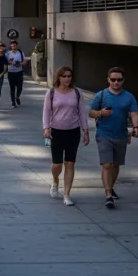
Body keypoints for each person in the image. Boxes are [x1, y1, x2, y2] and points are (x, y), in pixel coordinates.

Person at [88, 67, 138, 209]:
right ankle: (108, 195)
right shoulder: (101, 95)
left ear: (123, 81)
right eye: (113, 79)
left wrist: (136, 128)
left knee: (116, 165)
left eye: (119, 80)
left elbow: (135, 113)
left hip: (121, 135)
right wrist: (100, 113)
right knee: (107, 165)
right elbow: (91, 112)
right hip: (104, 134)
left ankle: (110, 187)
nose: (116, 82)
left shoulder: (129, 97)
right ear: (108, 80)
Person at [42, 66, 90, 206]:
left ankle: (67, 194)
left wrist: (85, 131)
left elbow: (82, 112)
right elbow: (46, 112)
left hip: (73, 131)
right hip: (56, 131)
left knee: (70, 162)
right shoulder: (51, 93)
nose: (67, 79)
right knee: (57, 164)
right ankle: (55, 180)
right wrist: (46, 128)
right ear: (59, 77)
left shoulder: (76, 93)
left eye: (69, 76)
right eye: (64, 76)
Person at [5, 40, 27, 108]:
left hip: (19, 72)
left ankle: (17, 97)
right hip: (11, 72)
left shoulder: (20, 53)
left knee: (19, 87)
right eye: (12, 45)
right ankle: (13, 102)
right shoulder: (8, 53)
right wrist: (10, 62)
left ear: (17, 46)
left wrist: (20, 64)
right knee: (12, 88)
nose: (13, 46)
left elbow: (25, 62)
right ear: (10, 46)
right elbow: (5, 61)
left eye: (14, 45)